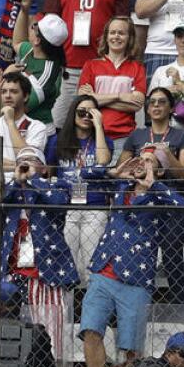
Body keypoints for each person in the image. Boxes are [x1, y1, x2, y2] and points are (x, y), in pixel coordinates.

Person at [81, 150, 184, 367]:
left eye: (150, 161)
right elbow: (84, 176)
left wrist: (153, 185)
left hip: (136, 279)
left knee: (132, 348)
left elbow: (183, 206)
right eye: (140, 158)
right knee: (90, 330)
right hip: (103, 270)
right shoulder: (119, 185)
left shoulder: (161, 196)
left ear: (159, 170)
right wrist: (113, 172)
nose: (142, 162)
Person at [42, 0, 131, 126]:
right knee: (59, 124)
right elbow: (47, 26)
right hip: (67, 67)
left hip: (102, 68)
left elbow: (124, 28)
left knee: (100, 124)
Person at [1, 147, 80, 354]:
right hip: (15, 275)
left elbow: (60, 201)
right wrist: (18, 181)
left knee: (51, 337)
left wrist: (34, 181)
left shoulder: (56, 186)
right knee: (16, 338)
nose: (26, 164)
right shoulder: (11, 190)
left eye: (32, 160)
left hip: (47, 275)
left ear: (44, 168)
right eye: (21, 161)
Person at [53, 95, 113, 279]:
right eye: (81, 112)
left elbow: (103, 161)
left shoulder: (104, 141)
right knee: (65, 263)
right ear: (73, 114)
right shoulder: (57, 141)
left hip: (95, 207)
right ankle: (67, 308)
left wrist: (98, 126)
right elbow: (49, 172)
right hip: (66, 208)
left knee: (90, 264)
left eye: (92, 113)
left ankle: (88, 307)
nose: (86, 116)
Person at [77, 16, 146, 150]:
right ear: (106, 36)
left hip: (125, 136)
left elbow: (137, 104)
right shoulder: (91, 65)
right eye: (112, 32)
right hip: (93, 134)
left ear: (129, 38)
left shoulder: (137, 68)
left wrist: (97, 98)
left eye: (121, 33)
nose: (116, 36)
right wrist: (120, 96)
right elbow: (84, 102)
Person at [0, 70, 50, 176]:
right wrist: (18, 165)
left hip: (24, 185)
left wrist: (10, 122)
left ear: (26, 96)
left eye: (14, 91)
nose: (7, 96)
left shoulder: (37, 127)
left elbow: (27, 159)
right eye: (3, 91)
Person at [120, 87, 184, 181]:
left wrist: (167, 152)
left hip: (170, 192)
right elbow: (120, 171)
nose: (156, 104)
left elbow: (183, 176)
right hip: (140, 189)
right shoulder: (136, 135)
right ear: (148, 109)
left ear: (171, 109)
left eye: (162, 101)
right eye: (152, 102)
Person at [9, 9, 67, 132]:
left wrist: (7, 75)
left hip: (35, 132)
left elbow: (18, 108)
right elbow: (17, 42)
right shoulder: (32, 51)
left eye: (34, 26)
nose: (31, 26)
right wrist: (24, 10)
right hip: (14, 125)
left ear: (37, 40)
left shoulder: (47, 74)